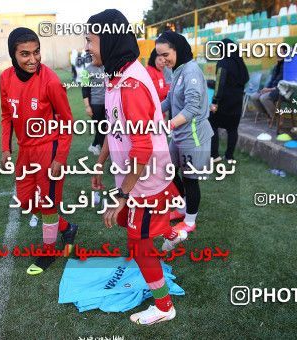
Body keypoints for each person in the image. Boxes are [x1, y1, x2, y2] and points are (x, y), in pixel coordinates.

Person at [87, 9, 186, 325]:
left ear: (109, 39)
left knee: (140, 244)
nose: (87, 47)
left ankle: (164, 306)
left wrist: (121, 195)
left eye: (91, 40)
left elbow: (142, 151)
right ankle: (170, 228)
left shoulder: (132, 83)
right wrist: (100, 163)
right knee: (132, 231)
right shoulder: (115, 76)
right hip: (138, 179)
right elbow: (111, 128)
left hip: (145, 180)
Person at [0, 28, 78, 275]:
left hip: (48, 147)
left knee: (48, 202)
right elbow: (5, 115)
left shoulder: (51, 81)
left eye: (36, 52)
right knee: (25, 200)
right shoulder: (5, 78)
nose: (32, 59)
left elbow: (66, 121)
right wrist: (5, 148)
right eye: (25, 54)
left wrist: (60, 157)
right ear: (13, 54)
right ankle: (66, 227)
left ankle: (48, 252)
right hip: (25, 151)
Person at [156, 31, 214, 232]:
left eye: (165, 54)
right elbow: (170, 100)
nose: (162, 60)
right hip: (179, 134)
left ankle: (190, 220)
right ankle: (182, 207)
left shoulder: (191, 72)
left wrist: (166, 125)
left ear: (177, 49)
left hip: (194, 135)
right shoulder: (178, 70)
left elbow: (191, 109)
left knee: (191, 179)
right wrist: (151, 110)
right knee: (167, 170)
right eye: (159, 56)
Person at [209, 38, 250, 161]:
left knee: (212, 124)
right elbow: (245, 79)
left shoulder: (223, 62)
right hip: (237, 101)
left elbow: (220, 84)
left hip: (224, 102)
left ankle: (215, 155)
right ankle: (229, 156)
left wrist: (215, 101)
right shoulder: (240, 62)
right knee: (233, 129)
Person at [249, 45, 287, 120]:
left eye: (281, 52)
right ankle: (268, 115)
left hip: (281, 90)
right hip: (272, 89)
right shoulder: (276, 66)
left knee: (264, 98)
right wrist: (265, 88)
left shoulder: (287, 66)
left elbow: (283, 85)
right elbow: (271, 80)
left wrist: (269, 90)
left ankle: (276, 118)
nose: (278, 54)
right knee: (254, 96)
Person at [81, 54, 106, 155]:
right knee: (100, 128)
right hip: (95, 104)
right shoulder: (86, 70)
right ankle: (104, 150)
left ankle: (94, 145)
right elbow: (85, 90)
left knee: (104, 127)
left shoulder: (105, 67)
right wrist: (87, 107)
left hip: (107, 103)